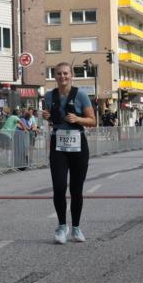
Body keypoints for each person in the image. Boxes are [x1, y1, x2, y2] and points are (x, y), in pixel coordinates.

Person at [42, 61, 96, 245]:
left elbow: (92, 120)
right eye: (58, 73)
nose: (62, 76)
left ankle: (76, 227)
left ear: (71, 75)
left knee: (76, 189)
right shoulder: (49, 96)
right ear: (55, 76)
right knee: (58, 187)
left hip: (78, 145)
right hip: (58, 144)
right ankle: (61, 226)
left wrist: (77, 118)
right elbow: (52, 118)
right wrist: (47, 117)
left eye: (65, 73)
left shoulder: (81, 95)